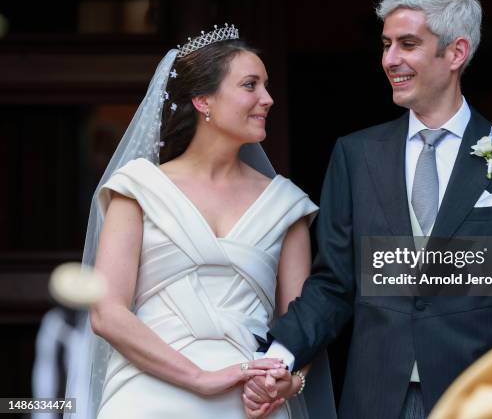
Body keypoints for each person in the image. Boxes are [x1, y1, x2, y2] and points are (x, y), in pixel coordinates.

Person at [243, 0, 492, 419]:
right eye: (387, 44)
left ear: (456, 53)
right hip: (374, 397)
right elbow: (334, 283)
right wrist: (280, 356)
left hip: (479, 401)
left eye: (408, 44)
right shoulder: (355, 155)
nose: (390, 59)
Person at [64, 25, 335, 419]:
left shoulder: (287, 204)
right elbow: (107, 313)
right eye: (250, 85)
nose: (268, 99)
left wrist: (289, 380)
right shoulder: (138, 189)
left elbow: (300, 323)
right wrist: (199, 378)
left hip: (250, 403)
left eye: (266, 85)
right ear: (203, 100)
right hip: (147, 397)